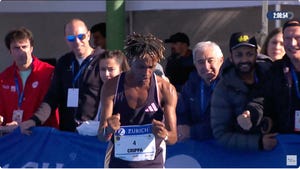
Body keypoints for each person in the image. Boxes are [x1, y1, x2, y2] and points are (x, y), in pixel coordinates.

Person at [97, 33, 178, 168]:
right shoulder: (111, 86)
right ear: (130, 62)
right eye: (141, 67)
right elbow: (101, 135)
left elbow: (173, 137)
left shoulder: (165, 89)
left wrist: (165, 135)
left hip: (153, 165)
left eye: (151, 67)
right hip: (118, 164)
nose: (146, 72)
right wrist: (109, 129)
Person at [20, 18, 104, 133]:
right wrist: (35, 120)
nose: (77, 42)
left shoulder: (103, 60)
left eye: (81, 37)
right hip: (68, 132)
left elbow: (115, 94)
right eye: (71, 38)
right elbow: (53, 97)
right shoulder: (64, 62)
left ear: (88, 35)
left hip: (94, 133)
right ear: (66, 39)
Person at [210, 32, 276, 151]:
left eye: (249, 54)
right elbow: (221, 134)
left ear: (257, 54)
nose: (244, 59)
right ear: (231, 57)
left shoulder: (270, 75)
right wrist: (258, 142)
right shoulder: (223, 88)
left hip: (277, 150)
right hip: (242, 159)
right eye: (239, 55)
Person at [241, 19, 300, 136]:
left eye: (298, 38)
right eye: (287, 39)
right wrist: (250, 112)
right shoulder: (275, 70)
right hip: (286, 140)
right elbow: (261, 99)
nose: (292, 43)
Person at [0, 27, 59, 134]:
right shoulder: (4, 78)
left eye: (24, 47)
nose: (21, 51)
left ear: (31, 48)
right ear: (10, 51)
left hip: (43, 136)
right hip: (14, 136)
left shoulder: (49, 72)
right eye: (16, 48)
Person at [176, 41, 224, 142]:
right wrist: (182, 127)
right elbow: (182, 112)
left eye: (210, 60)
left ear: (221, 60)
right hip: (198, 149)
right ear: (195, 64)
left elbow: (226, 121)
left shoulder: (230, 84)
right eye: (200, 62)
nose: (206, 67)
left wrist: (192, 131)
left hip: (224, 147)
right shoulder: (190, 85)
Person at [76, 50, 130, 136]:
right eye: (103, 69)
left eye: (111, 69)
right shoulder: (103, 90)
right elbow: (102, 126)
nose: (106, 74)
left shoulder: (128, 93)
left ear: (121, 70)